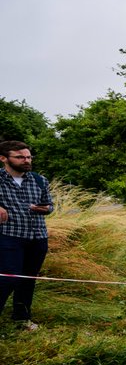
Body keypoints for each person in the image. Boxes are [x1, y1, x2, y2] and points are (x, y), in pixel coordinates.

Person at [0, 141, 54, 330]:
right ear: (4, 158)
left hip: (38, 236)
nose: (26, 160)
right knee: (8, 278)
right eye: (20, 157)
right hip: (8, 236)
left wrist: (45, 209)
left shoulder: (39, 180)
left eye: (29, 157)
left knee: (28, 279)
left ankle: (21, 318)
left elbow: (49, 206)